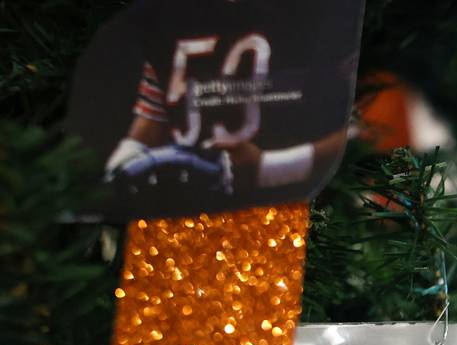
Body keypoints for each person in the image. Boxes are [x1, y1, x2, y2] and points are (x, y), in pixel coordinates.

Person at [101, 0, 352, 206]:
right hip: (187, 211)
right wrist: (120, 172)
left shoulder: (321, 14)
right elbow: (150, 125)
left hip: (289, 208)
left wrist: (271, 167)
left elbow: (372, 123)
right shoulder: (168, 17)